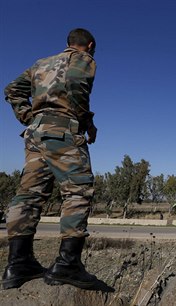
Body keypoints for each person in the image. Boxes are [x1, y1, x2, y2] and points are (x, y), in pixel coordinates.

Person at [2, 28, 99, 290]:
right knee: (77, 190)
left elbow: (12, 90)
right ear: (88, 45)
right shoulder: (83, 59)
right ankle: (67, 265)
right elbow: (77, 86)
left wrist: (29, 116)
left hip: (35, 135)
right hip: (62, 131)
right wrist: (84, 120)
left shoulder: (40, 64)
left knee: (28, 195)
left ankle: (18, 264)